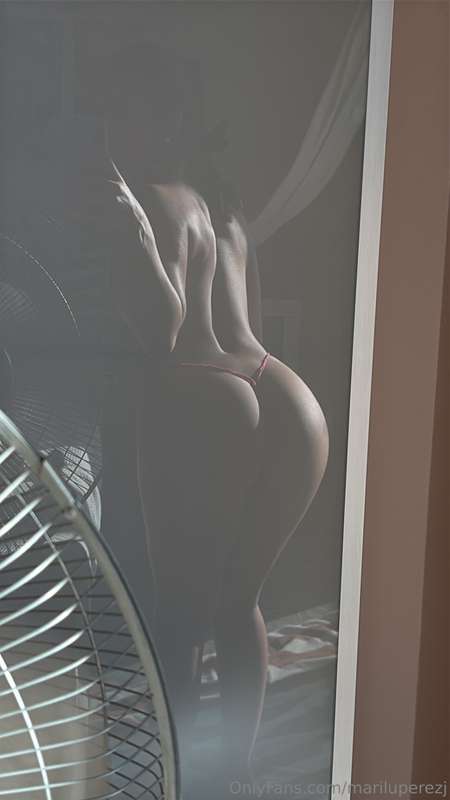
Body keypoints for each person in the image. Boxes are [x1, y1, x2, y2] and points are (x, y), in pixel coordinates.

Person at [98, 43, 329, 799]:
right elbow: (246, 320)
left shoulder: (151, 202)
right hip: (284, 394)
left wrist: (136, 241)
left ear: (161, 119)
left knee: (178, 617)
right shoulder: (226, 209)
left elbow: (165, 333)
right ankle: (234, 776)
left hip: (199, 391)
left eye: (124, 110)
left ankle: (174, 779)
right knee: (238, 605)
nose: (113, 126)